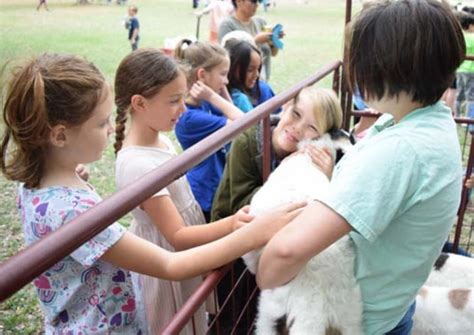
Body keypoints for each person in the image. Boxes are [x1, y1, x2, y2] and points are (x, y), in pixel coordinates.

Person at [0, 53, 304, 334]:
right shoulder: (70, 210)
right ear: (60, 135)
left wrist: (74, 172)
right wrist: (255, 233)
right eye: (102, 123)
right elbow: (170, 265)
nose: (110, 129)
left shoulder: (38, 183)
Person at [256, 0, 465, 335]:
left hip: (358, 320)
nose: (356, 71)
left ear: (391, 67)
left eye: (363, 61)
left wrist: (265, 274)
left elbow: (285, 251)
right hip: (395, 303)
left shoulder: (402, 150)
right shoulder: (428, 122)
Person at [114, 48, 255, 334]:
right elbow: (177, 236)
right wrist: (232, 224)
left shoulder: (160, 141)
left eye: (183, 98)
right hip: (167, 269)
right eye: (174, 101)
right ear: (140, 103)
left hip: (184, 260)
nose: (182, 109)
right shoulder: (137, 164)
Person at [211, 86, 343, 332]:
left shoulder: (312, 162)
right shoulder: (248, 142)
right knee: (232, 317)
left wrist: (326, 176)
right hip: (233, 244)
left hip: (272, 256)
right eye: (296, 114)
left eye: (312, 128)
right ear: (285, 107)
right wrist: (284, 176)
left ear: (321, 138)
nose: (298, 128)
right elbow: (238, 206)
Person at [174, 40, 244, 221]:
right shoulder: (190, 118)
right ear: (202, 75)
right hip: (205, 193)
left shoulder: (204, 103)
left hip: (215, 185)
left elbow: (237, 114)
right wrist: (213, 95)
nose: (227, 81)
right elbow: (244, 124)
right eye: (223, 74)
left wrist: (220, 92)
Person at [218, 0, 283, 82]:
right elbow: (229, 58)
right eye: (253, 1)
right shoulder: (227, 25)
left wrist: (274, 39)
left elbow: (273, 53)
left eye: (259, 0)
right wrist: (256, 40)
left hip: (262, 83)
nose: (257, 4)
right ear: (238, 1)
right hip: (240, 86)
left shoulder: (261, 22)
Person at [222, 30, 279, 112]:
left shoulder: (263, 89)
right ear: (232, 66)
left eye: (258, 68)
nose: (257, 75)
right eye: (250, 70)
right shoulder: (221, 92)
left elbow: (277, 115)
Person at [454, 11, 474, 118]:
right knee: (470, 97)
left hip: (460, 69)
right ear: (470, 26)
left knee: (459, 95)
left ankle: (457, 116)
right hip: (471, 70)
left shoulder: (460, 36)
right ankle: (468, 119)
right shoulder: (472, 37)